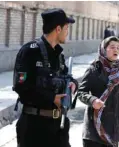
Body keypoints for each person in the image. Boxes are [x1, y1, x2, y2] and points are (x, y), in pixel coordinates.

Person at [13, 8, 78, 147]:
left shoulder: (58, 55)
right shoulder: (30, 51)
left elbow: (66, 76)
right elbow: (21, 87)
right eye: (67, 28)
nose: (68, 32)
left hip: (58, 127)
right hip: (34, 127)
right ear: (58, 29)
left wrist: (73, 84)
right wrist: (51, 98)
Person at [75, 36, 119, 147]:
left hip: (113, 125)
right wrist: (93, 100)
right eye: (112, 47)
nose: (116, 50)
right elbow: (81, 92)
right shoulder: (94, 69)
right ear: (104, 49)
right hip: (94, 124)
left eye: (118, 47)